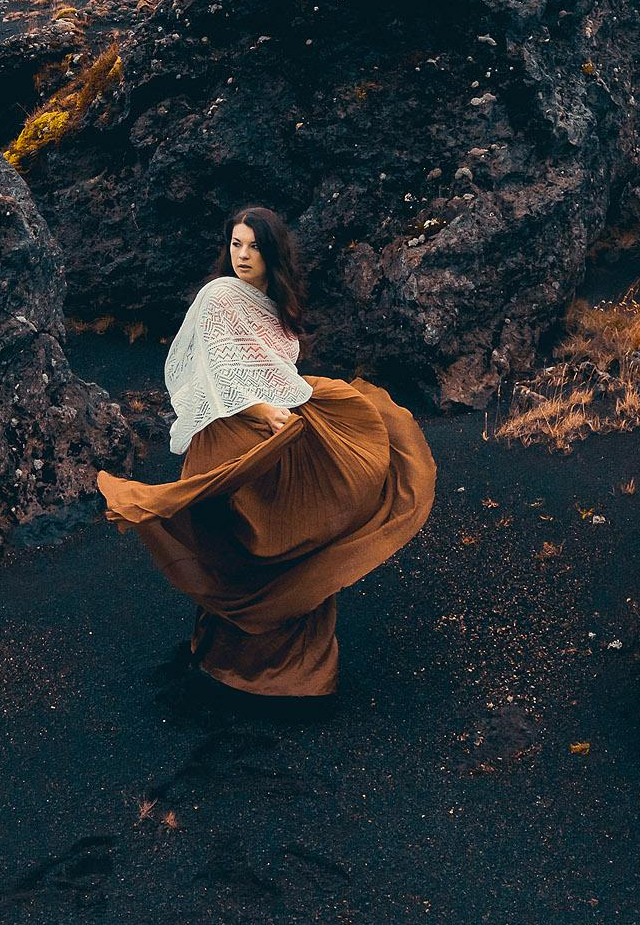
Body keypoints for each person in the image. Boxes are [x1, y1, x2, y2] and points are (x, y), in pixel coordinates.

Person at [95, 206, 435, 701]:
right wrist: (260, 410)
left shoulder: (274, 304)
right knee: (240, 548)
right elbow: (215, 368)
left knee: (303, 534)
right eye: (236, 244)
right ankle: (229, 666)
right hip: (234, 433)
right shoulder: (219, 296)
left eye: (254, 246)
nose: (243, 255)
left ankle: (297, 674)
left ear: (272, 252)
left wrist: (279, 405)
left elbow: (271, 368)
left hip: (276, 427)